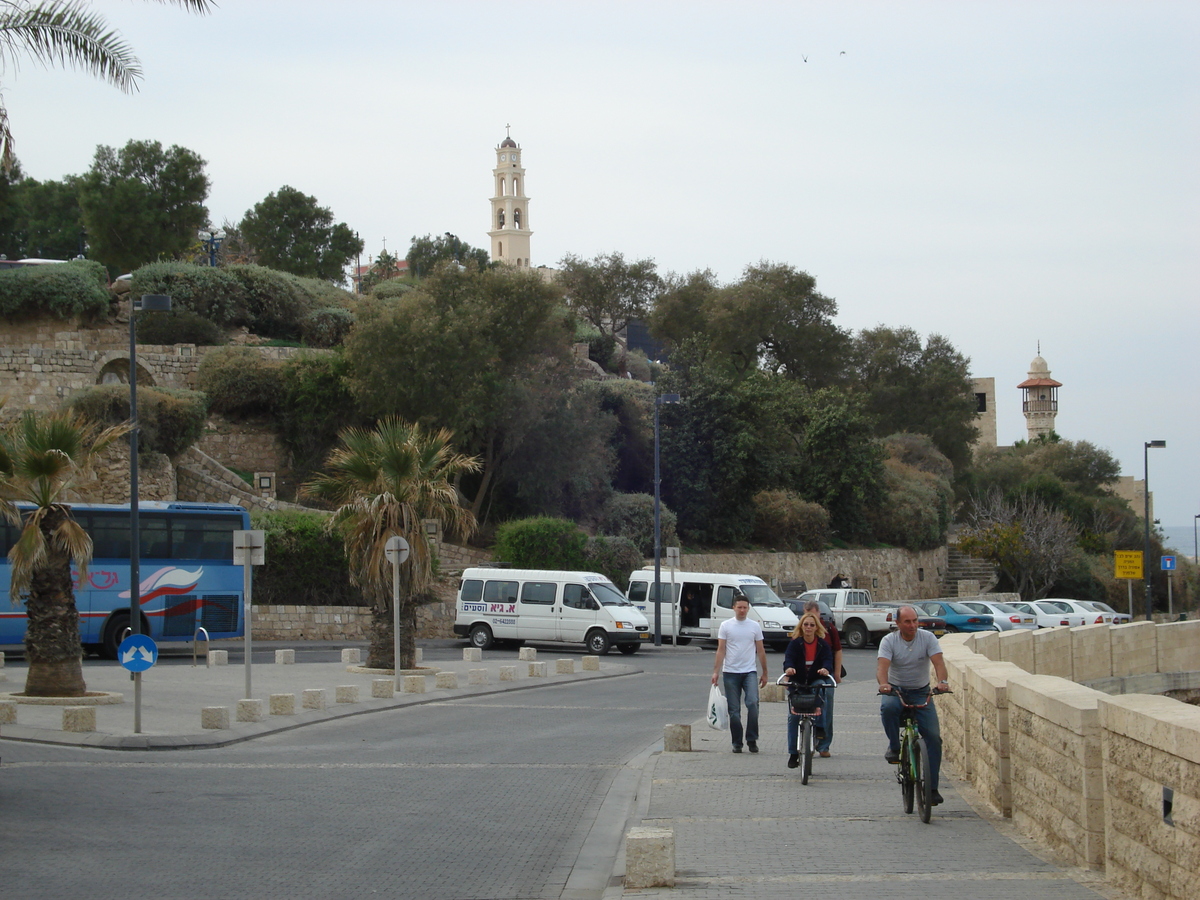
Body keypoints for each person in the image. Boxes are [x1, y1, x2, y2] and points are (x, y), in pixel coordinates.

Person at [877, 604, 951, 805]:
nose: (912, 625)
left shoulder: (927, 638)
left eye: (915, 621)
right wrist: (884, 684)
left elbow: (939, 663)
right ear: (898, 623)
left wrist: (942, 682)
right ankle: (894, 746)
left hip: (921, 692)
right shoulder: (889, 641)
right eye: (907, 622)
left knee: (934, 738)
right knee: (888, 708)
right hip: (896, 689)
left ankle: (932, 788)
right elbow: (882, 667)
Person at [711, 593, 768, 753]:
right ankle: (737, 742)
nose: (742, 610)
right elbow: (721, 650)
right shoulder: (726, 626)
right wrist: (716, 671)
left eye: (745, 607)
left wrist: (765, 672)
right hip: (730, 673)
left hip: (749, 671)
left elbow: (761, 650)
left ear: (748, 609)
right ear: (734, 608)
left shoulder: (754, 626)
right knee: (734, 710)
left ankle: (752, 739)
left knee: (752, 704)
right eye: (739, 607)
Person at [782, 612, 833, 769]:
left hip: (814, 680)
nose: (809, 628)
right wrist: (789, 669)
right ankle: (793, 753)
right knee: (793, 717)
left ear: (816, 627)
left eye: (812, 625)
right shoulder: (795, 644)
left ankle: (820, 729)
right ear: (801, 627)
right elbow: (788, 659)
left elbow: (828, 660)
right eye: (806, 625)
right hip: (798, 681)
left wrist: (825, 669)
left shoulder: (822, 644)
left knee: (821, 691)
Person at [804, 599, 842, 757]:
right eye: (807, 616)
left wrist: (837, 673)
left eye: (813, 615)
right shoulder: (802, 629)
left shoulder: (828, 629)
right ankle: (804, 742)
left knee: (827, 702)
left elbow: (838, 650)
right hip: (806, 675)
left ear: (819, 614)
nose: (810, 623)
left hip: (826, 673)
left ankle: (824, 744)